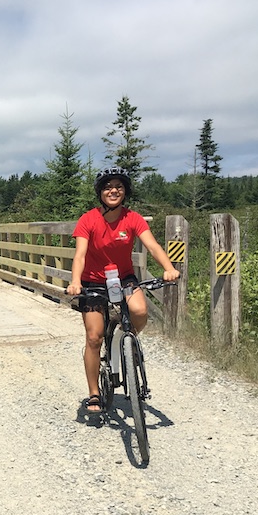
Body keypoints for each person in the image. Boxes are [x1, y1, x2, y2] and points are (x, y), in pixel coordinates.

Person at [65, 166, 180, 415]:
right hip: (94, 281)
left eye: (118, 186)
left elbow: (152, 246)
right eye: (108, 186)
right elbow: (80, 254)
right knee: (94, 337)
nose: (113, 190)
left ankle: (123, 337)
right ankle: (94, 393)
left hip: (124, 278)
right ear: (100, 193)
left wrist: (169, 268)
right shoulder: (88, 220)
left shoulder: (133, 218)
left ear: (125, 192)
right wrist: (76, 281)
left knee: (139, 311)